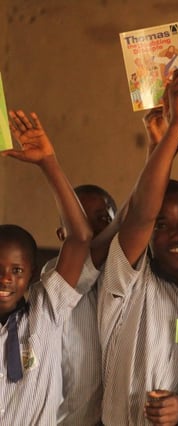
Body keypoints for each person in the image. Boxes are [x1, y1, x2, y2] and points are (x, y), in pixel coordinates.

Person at [97, 66, 178, 425]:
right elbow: (141, 212)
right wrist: (173, 132)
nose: (176, 234)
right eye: (162, 225)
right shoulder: (126, 284)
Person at [1, 109, 92, 424]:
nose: (5, 279)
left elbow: (80, 238)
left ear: (31, 274)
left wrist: (47, 162)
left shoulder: (46, 311)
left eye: (17, 271)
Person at [41, 184, 118, 426]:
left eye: (103, 219)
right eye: (79, 221)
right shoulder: (54, 274)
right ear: (62, 234)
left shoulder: (126, 278)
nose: (91, 229)